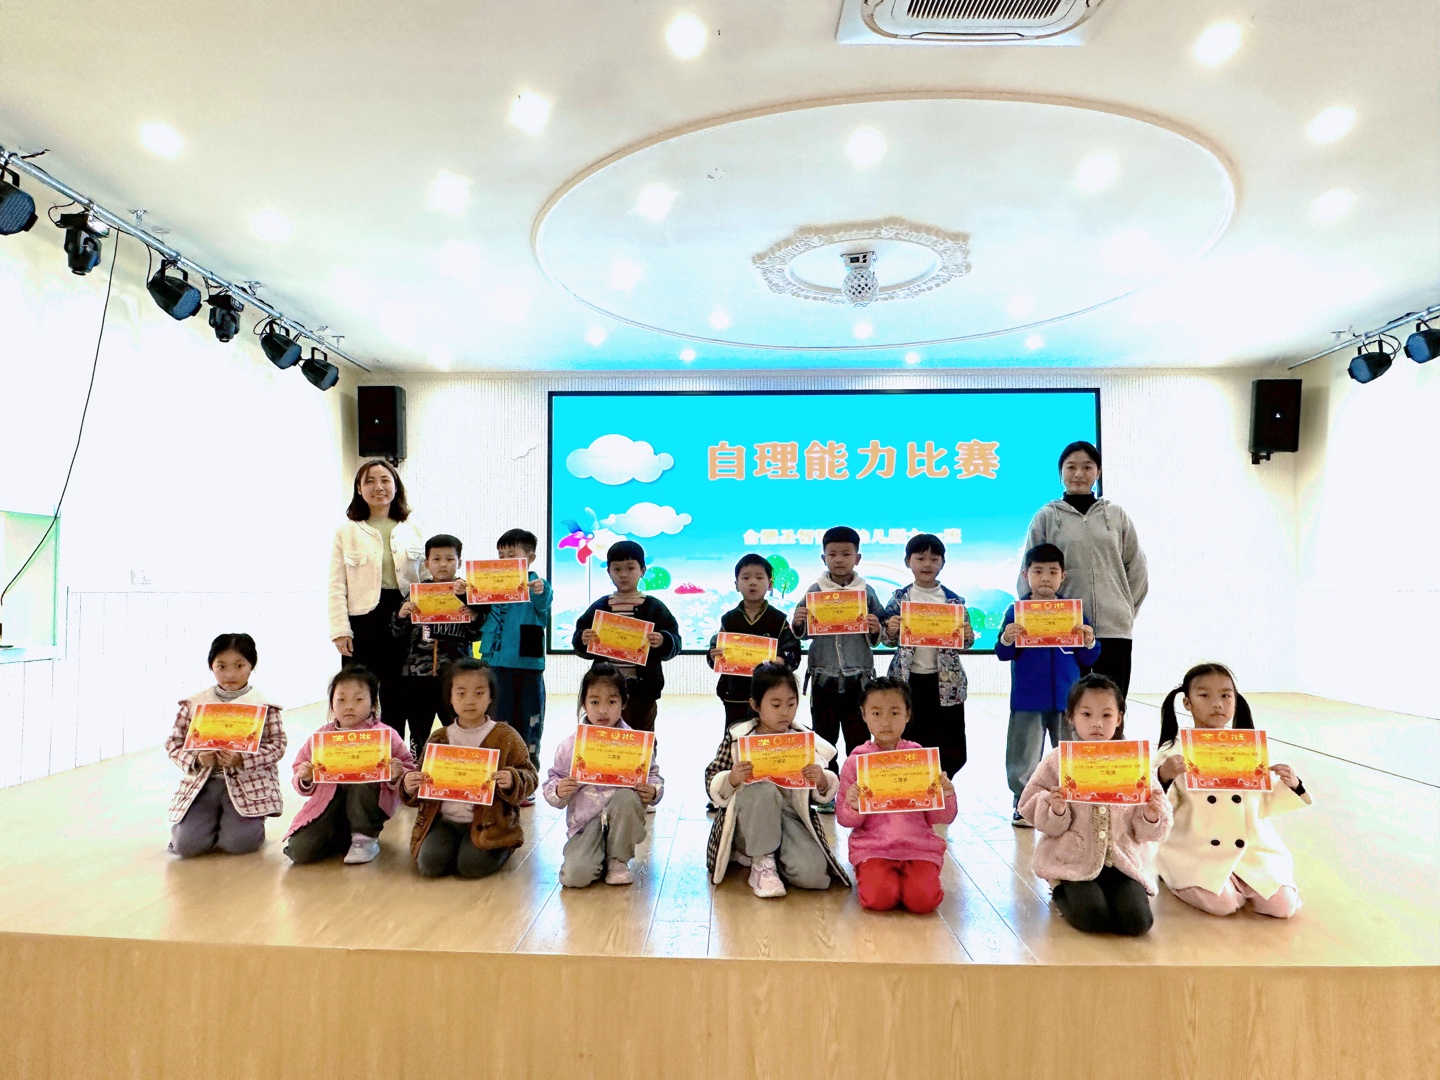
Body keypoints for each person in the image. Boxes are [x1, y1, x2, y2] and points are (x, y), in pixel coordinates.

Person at [1154, 663, 1311, 918]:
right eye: (1204, 695)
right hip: (1195, 848)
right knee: (1223, 904)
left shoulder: (1246, 748)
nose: (1217, 704)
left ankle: (1241, 881)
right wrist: (1163, 776)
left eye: (1226, 695)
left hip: (1252, 847)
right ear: (1187, 703)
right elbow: (1159, 807)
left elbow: (1263, 805)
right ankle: (1172, 874)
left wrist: (1292, 784)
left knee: (1283, 906)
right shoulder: (1173, 752)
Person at [1019, 674, 1172, 935]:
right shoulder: (1058, 760)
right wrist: (1054, 808)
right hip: (1073, 861)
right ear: (1071, 717)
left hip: (1122, 862)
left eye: (1106, 715)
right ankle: (1059, 887)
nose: (1097, 723)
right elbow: (1029, 802)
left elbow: (1157, 824)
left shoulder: (1132, 761)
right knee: (1092, 917)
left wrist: (1150, 815)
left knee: (1138, 922)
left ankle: (1111, 892)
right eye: (1086, 714)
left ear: (1119, 718)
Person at [703, 661, 848, 898]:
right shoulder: (739, 737)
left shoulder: (803, 739)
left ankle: (774, 857)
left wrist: (821, 781)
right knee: (763, 789)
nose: (784, 712)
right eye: (776, 704)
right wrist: (732, 778)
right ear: (755, 705)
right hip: (748, 819)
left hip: (789, 817)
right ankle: (761, 861)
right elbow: (712, 778)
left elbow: (816, 794)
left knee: (814, 876)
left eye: (791, 704)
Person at [1019, 441, 1147, 699]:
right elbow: (1029, 570)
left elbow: (1137, 568)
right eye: (1071, 467)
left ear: (1097, 472)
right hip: (1066, 628)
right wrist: (1037, 618)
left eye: (1087, 467)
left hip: (1114, 629)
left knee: (1112, 704)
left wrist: (1123, 609)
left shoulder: (1116, 515)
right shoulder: (1046, 516)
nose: (1079, 474)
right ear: (1061, 473)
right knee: (1069, 705)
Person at [995, 543, 1100, 826]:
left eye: (1052, 572)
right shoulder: (1016, 611)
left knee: (1070, 751)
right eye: (1038, 571)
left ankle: (1075, 802)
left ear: (1063, 576)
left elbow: (1088, 657)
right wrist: (1007, 638)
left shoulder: (1073, 612)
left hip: (1069, 700)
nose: (1045, 578)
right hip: (1027, 699)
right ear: (1025, 574)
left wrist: (1089, 640)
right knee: (1023, 755)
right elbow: (1003, 653)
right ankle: (1023, 804)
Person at [401, 659, 537, 880]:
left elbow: (530, 775)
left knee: (471, 866)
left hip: (489, 822)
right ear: (450, 698)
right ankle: (456, 846)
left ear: (491, 696)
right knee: (429, 865)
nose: (470, 701)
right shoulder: (439, 738)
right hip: (444, 821)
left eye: (479, 693)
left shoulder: (505, 736)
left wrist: (513, 779)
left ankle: (504, 843)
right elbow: (421, 780)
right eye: (461, 693)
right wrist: (409, 785)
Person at [836, 677, 957, 913]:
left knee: (924, 902)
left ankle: (911, 882)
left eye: (894, 712)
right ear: (863, 714)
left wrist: (946, 795)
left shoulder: (920, 758)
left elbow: (942, 817)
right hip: (874, 849)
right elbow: (844, 819)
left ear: (907, 714)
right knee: (879, 900)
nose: (885, 722)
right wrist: (853, 804)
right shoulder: (856, 762)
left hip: (918, 847)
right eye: (876, 713)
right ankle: (881, 879)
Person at [165, 633, 287, 857]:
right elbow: (174, 743)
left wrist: (243, 758)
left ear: (251, 666)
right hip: (203, 783)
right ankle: (202, 827)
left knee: (239, 845)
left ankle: (240, 825)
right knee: (186, 847)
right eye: (221, 666)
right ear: (211, 666)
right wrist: (196, 759)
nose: (230, 674)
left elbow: (278, 745)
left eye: (239, 666)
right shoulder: (194, 703)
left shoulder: (264, 705)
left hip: (246, 784)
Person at [543, 664, 664, 887]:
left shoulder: (636, 744)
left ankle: (618, 859)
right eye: (594, 702)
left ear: (624, 703)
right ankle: (596, 856)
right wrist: (559, 790)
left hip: (622, 819)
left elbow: (653, 777)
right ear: (584, 704)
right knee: (574, 877)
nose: (603, 710)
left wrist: (653, 791)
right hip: (585, 824)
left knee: (627, 797)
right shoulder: (570, 746)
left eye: (612, 702)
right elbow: (553, 781)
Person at [283, 666, 416, 866]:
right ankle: (343, 835)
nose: (349, 706)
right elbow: (299, 768)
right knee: (299, 851)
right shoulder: (322, 736)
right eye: (341, 699)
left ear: (373, 704)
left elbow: (408, 770)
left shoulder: (385, 735)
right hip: (329, 804)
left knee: (363, 773)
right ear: (332, 704)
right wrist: (305, 777)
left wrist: (397, 774)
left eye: (359, 699)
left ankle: (364, 837)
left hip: (369, 804)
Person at [327, 459, 424, 721]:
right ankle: (357, 742)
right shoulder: (347, 532)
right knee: (357, 691)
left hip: (404, 618)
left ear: (396, 486)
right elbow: (336, 584)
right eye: (369, 481)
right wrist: (340, 630)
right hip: (362, 620)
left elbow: (426, 576)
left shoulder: (412, 530)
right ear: (359, 489)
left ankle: (395, 745)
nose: (378, 487)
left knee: (397, 691)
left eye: (385, 480)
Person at [790, 526, 885, 790]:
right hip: (823, 676)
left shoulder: (866, 592)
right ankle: (827, 789)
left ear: (858, 558)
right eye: (832, 554)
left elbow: (879, 632)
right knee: (824, 738)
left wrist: (875, 627)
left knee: (859, 737)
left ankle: (857, 789)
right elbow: (802, 632)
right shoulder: (814, 591)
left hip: (859, 678)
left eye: (846, 554)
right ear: (823, 558)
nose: (839, 559)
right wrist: (798, 622)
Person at [878, 533, 976, 777]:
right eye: (920, 558)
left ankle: (941, 785)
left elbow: (965, 643)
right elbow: (886, 640)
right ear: (907, 562)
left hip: (945, 684)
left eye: (934, 559)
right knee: (910, 738)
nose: (927, 564)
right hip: (907, 681)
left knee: (950, 744)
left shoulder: (954, 601)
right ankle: (913, 786)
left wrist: (967, 635)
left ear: (943, 563)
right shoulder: (899, 598)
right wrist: (890, 629)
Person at [389, 533, 486, 762]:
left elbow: (479, 633)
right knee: (419, 730)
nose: (443, 564)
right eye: (436, 559)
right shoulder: (416, 593)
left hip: (455, 677)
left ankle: (459, 769)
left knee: (458, 726)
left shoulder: (469, 593)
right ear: (426, 562)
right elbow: (396, 633)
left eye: (450, 559)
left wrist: (474, 617)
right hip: (417, 676)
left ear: (460, 562)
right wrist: (401, 616)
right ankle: (419, 770)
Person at [572, 540, 680, 733]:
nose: (623, 574)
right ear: (608, 572)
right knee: (604, 735)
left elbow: (675, 641)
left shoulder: (654, 607)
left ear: (643, 570)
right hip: (606, 689)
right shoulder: (600, 606)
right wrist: (583, 639)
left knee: (641, 737)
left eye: (630, 568)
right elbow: (580, 639)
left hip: (643, 691)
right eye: (617, 569)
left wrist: (663, 640)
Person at [481, 528, 552, 792]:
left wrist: (539, 590)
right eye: (501, 556)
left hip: (527, 667)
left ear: (530, 558)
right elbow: (476, 610)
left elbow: (544, 603)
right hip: (495, 665)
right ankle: (497, 780)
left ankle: (526, 783)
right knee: (496, 722)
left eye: (512, 555)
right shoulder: (491, 583)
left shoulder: (538, 585)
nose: (505, 561)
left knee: (529, 723)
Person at [705, 553, 802, 726]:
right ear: (736, 585)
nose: (752, 582)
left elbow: (793, 651)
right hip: (735, 694)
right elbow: (715, 649)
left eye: (759, 577)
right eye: (746, 577)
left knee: (767, 736)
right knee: (736, 735)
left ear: (770, 584)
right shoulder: (729, 619)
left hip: (771, 697)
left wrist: (781, 660)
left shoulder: (778, 619)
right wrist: (714, 655)